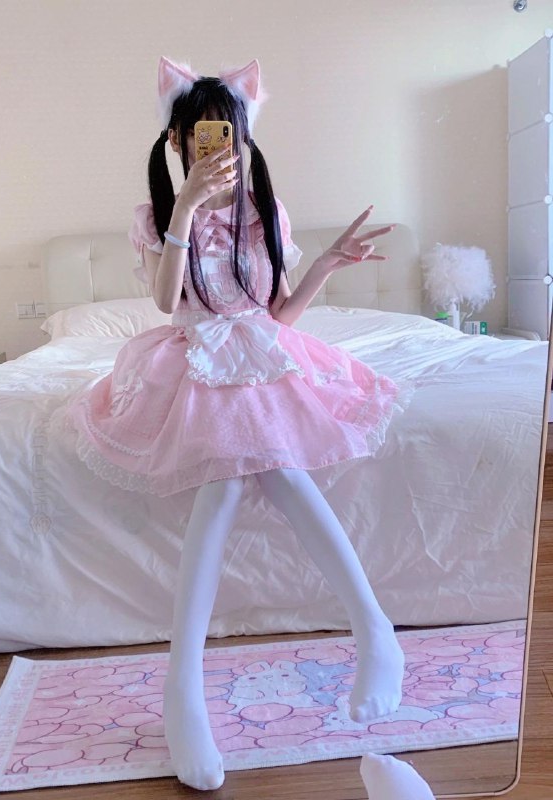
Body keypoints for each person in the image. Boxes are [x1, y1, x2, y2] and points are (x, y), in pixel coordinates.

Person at [68, 56, 412, 792]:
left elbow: (278, 314)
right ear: (178, 141)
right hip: (192, 356)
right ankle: (366, 630)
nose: (217, 147)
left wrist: (325, 264)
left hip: (259, 352)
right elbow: (167, 303)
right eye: (201, 135)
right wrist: (185, 209)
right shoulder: (157, 217)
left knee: (255, 474)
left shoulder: (267, 213)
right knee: (233, 482)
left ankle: (189, 688)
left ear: (245, 137)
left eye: (228, 133)